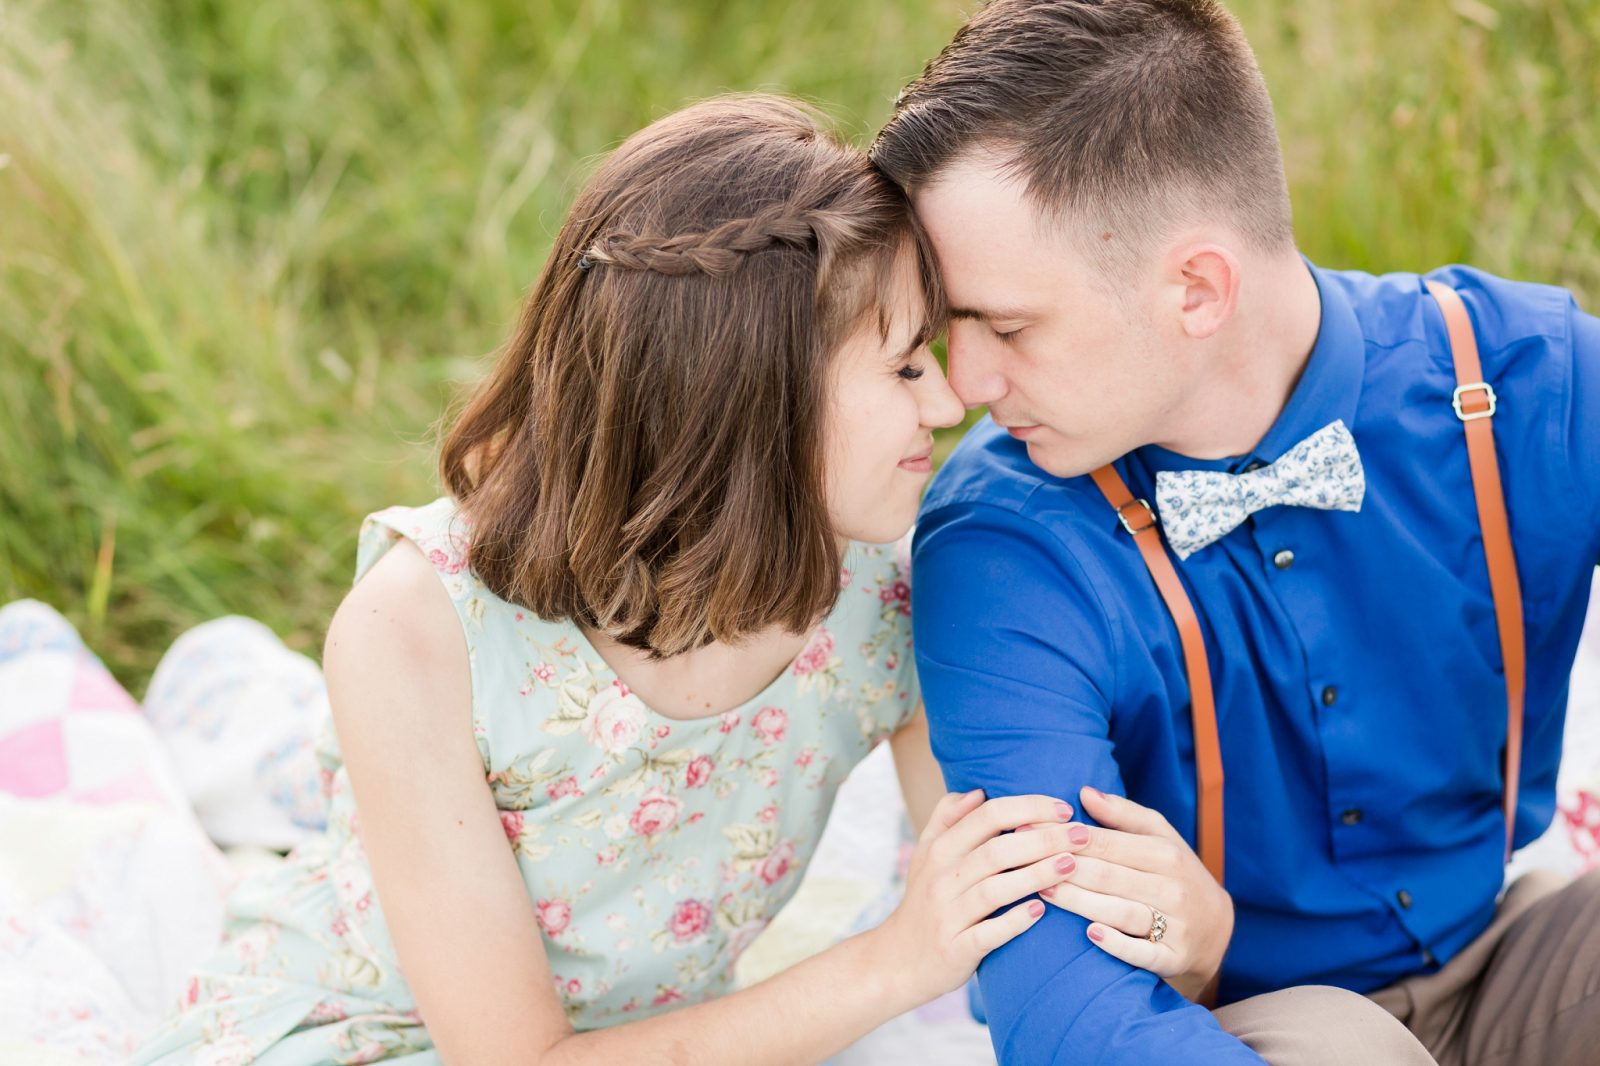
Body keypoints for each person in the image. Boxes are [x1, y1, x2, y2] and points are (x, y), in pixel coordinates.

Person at [130, 95, 1095, 1065]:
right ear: (756, 402)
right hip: (375, 1040)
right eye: (902, 366)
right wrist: (892, 962)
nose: (948, 397)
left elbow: (1019, 892)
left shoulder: (886, 604)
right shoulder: (417, 629)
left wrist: (1185, 927)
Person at [870, 1, 1600, 1064]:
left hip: (1511, 949)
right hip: (1242, 1024)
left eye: (1007, 326)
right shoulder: (1002, 546)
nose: (965, 385)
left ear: (1195, 288)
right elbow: (1064, 1007)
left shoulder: (1522, 379)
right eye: (951, 328)